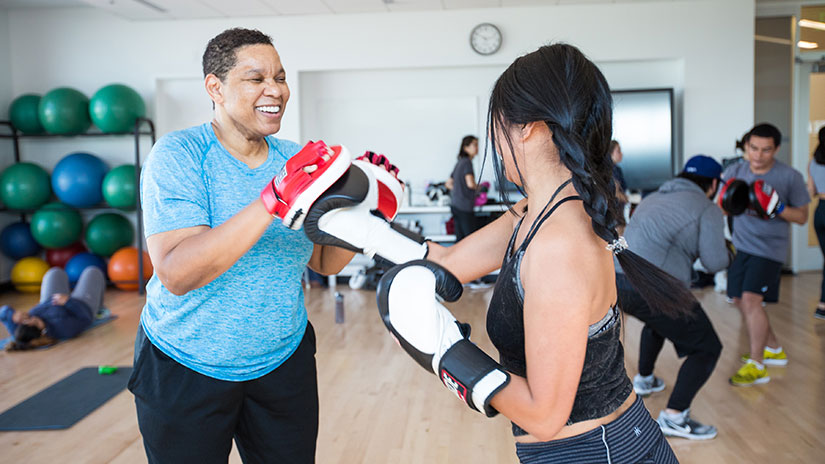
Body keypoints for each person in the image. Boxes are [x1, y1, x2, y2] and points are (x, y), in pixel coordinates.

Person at [368, 44, 690, 463]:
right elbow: (447, 264)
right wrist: (363, 225)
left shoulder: (560, 244)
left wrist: (445, 352)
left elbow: (544, 414)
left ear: (528, 128)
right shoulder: (534, 210)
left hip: (598, 452)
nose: (495, 144)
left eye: (498, 124)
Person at [131, 28, 357, 463]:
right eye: (256, 79)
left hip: (282, 361)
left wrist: (367, 213)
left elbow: (326, 261)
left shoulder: (295, 158)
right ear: (215, 87)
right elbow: (177, 273)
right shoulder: (178, 155)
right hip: (186, 363)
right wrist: (273, 199)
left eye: (280, 77)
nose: (276, 90)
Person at [616, 155, 728, 440]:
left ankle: (644, 379)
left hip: (615, 281)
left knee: (660, 321)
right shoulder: (707, 208)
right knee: (707, 347)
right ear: (713, 184)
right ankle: (675, 417)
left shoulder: (652, 198)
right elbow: (715, 263)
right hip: (655, 288)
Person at [722, 123, 810, 386]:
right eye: (753, 149)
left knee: (751, 301)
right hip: (742, 247)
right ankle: (773, 349)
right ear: (746, 146)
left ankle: (758, 365)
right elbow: (724, 208)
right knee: (738, 300)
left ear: (777, 149)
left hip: (769, 250)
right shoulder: (735, 170)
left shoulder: (789, 177)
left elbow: (802, 217)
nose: (758, 156)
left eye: (766, 150)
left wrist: (777, 206)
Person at [0, 266, 105, 350]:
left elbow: (2, 314)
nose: (30, 318)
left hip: (52, 300)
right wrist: (68, 302)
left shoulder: (20, 331)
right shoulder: (64, 329)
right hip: (81, 305)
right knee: (92, 272)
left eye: (26, 321)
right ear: (42, 331)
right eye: (34, 321)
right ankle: (99, 306)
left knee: (54, 273)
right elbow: (86, 318)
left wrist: (12, 315)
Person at [447, 135, 481, 241]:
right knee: (469, 240)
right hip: (464, 206)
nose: (477, 148)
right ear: (466, 148)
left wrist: (458, 191)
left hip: (455, 205)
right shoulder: (467, 162)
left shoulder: (459, 162)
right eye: (474, 145)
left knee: (460, 239)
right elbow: (470, 184)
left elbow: (448, 184)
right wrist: (480, 188)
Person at [807, 126, 825, 320]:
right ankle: (822, 304)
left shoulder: (813, 163)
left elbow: (811, 191)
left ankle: (822, 304)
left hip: (820, 211)